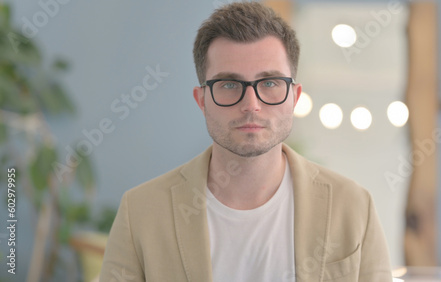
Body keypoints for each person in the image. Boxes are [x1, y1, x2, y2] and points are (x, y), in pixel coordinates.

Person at [99, 2, 392, 281]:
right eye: (228, 84)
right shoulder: (140, 211)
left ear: (295, 96)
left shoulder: (353, 207)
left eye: (270, 83)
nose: (251, 104)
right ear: (202, 100)